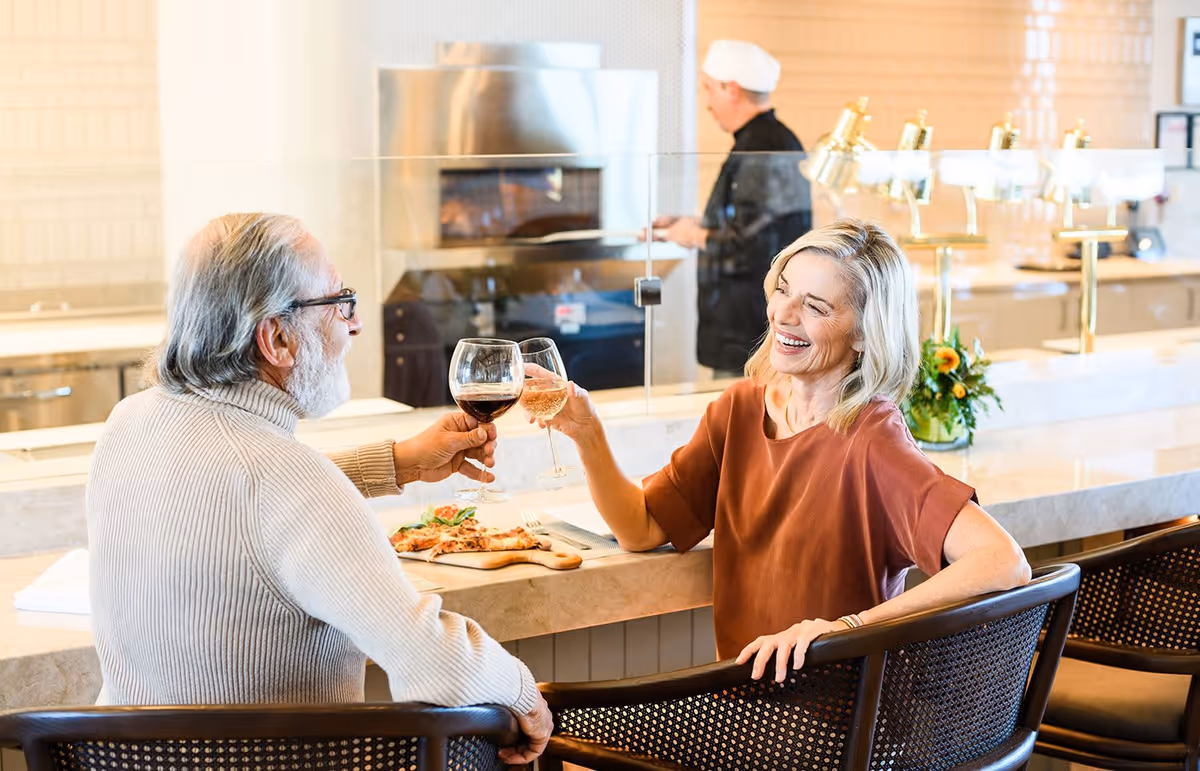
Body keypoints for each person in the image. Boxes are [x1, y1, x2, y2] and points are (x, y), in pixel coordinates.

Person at [86, 213, 549, 765]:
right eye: (339, 302)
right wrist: (527, 696)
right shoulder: (282, 477)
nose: (353, 325)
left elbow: (232, 500)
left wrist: (396, 464)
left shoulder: (128, 423)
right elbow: (431, 659)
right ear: (278, 338)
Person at [537, 219, 1031, 683]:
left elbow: (1004, 561)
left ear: (864, 333)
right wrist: (587, 434)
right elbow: (642, 528)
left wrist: (848, 627)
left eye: (816, 307)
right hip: (749, 709)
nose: (783, 315)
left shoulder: (871, 440)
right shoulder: (738, 411)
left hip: (835, 723)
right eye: (783, 290)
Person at [653, 39, 813, 377]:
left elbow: (752, 247)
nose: (707, 103)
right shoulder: (761, 142)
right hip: (746, 330)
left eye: (709, 89)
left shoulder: (762, 149)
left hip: (751, 334)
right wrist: (690, 223)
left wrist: (693, 234)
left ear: (732, 89)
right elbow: (751, 224)